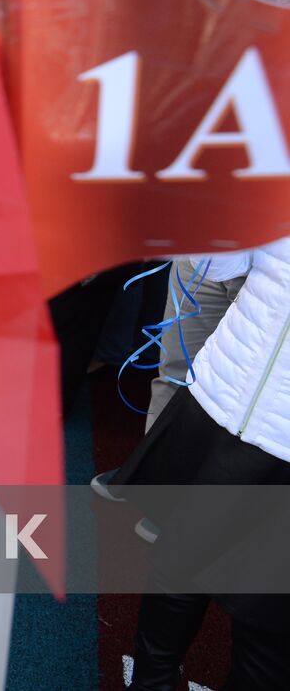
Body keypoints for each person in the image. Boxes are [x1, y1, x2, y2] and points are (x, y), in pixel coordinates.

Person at [109, 239, 290, 690]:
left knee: (268, 616)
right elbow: (216, 265)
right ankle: (151, 682)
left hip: (281, 439)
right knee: (175, 564)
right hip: (221, 394)